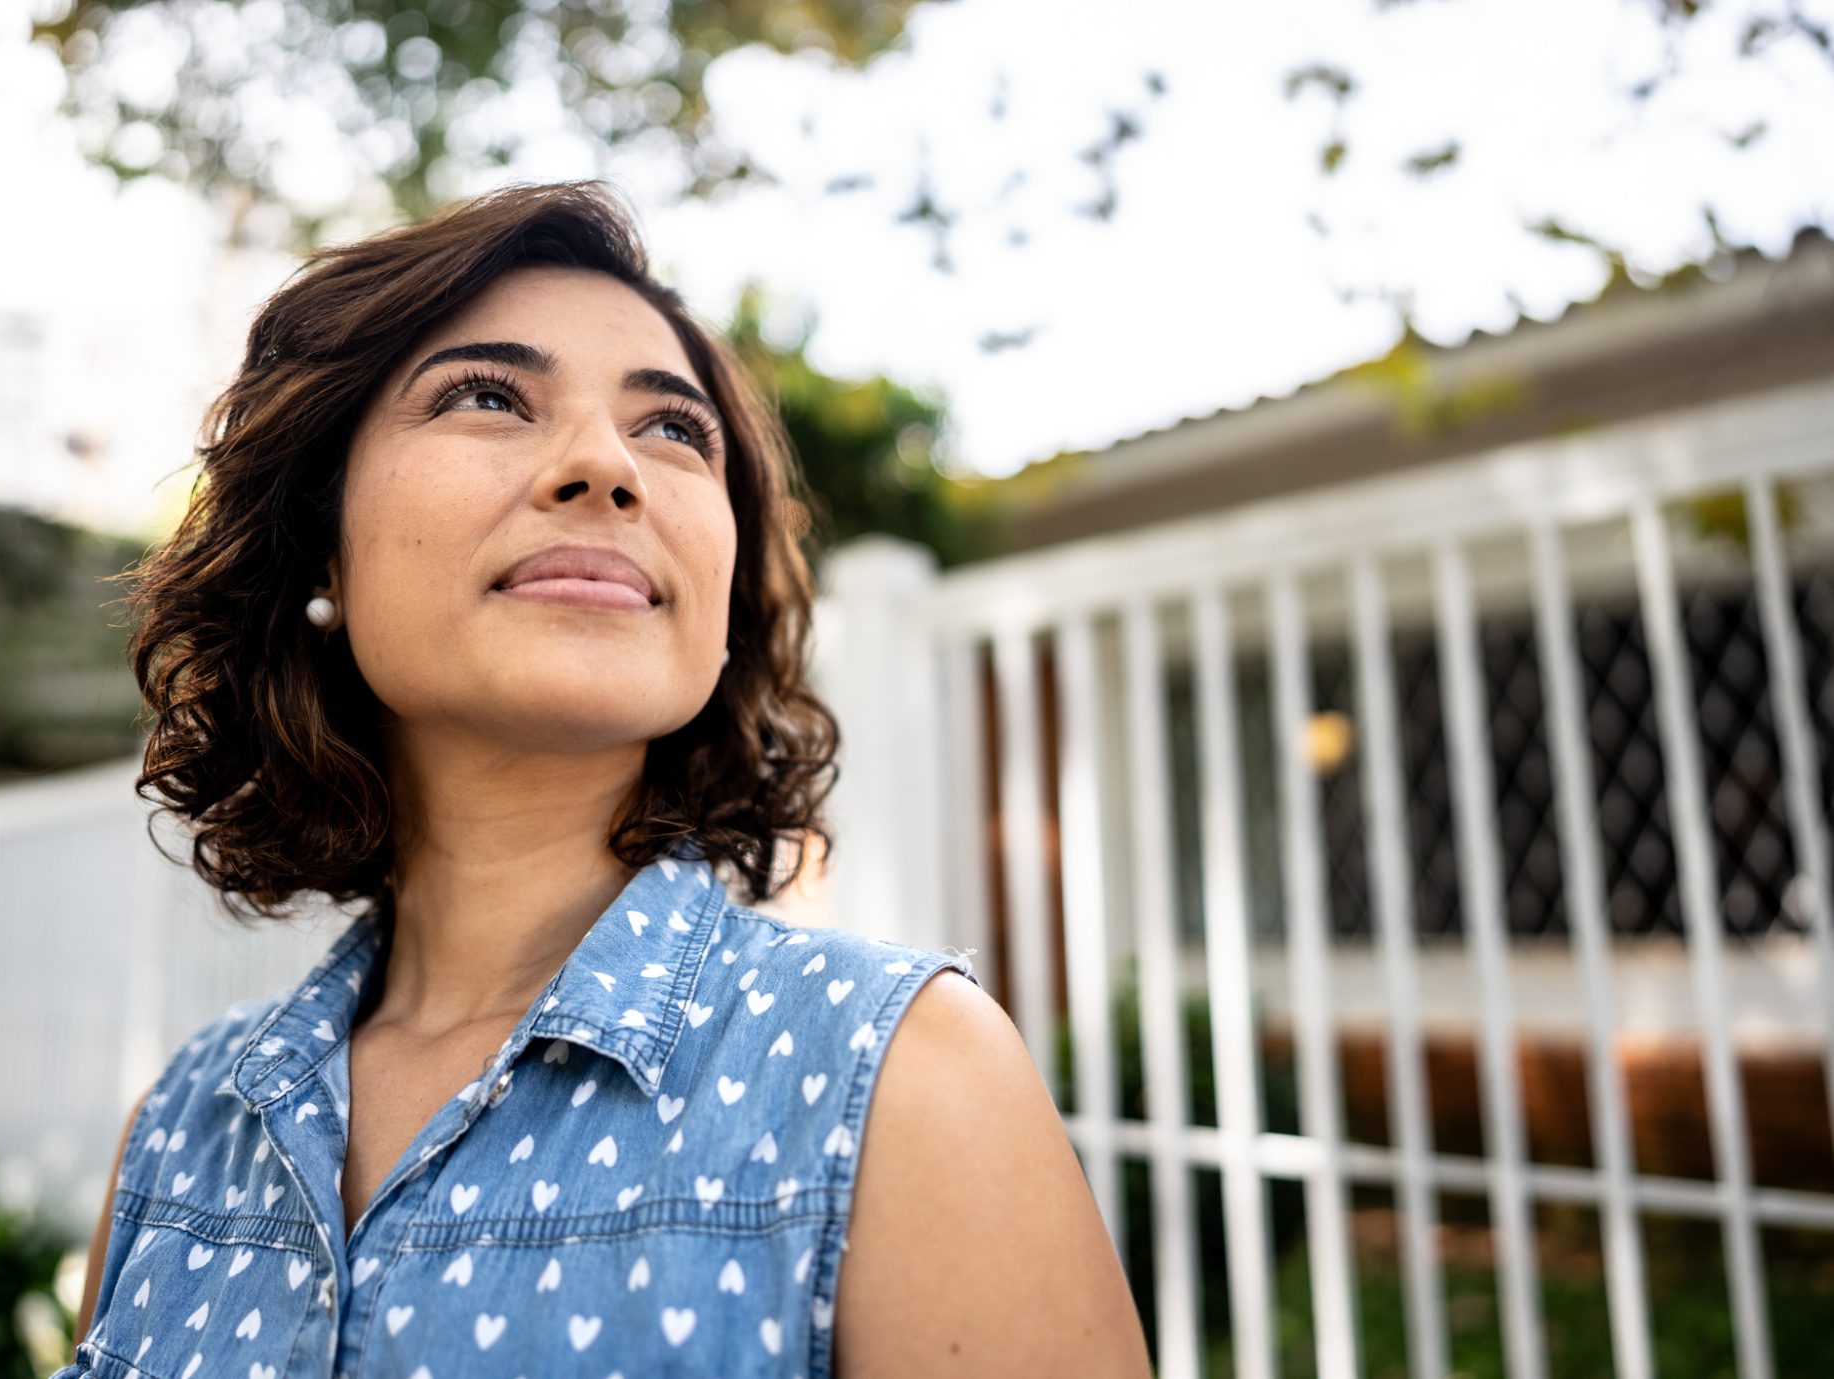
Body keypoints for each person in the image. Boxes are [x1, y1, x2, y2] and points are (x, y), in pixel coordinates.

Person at [59, 180, 1149, 1378]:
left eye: (674, 429)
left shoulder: (899, 1080)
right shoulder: (184, 1128)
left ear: (721, 591)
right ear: (320, 542)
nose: (604, 465)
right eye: (487, 396)